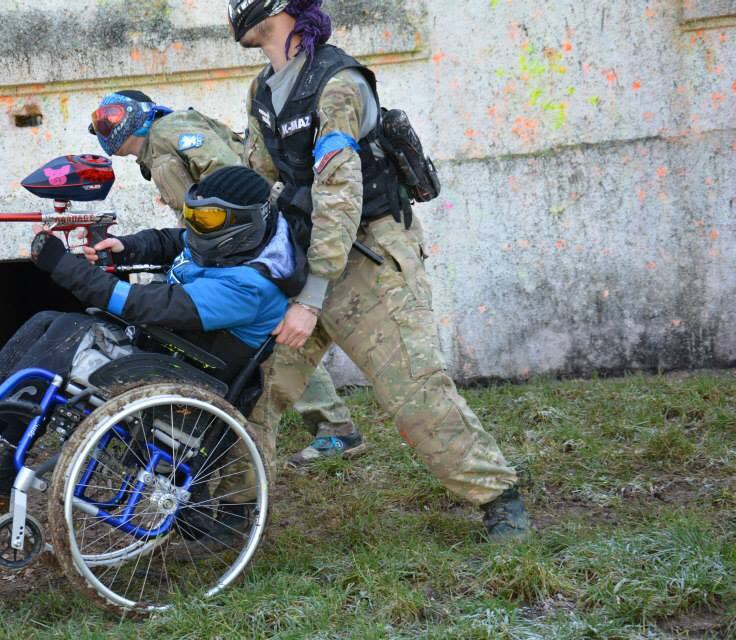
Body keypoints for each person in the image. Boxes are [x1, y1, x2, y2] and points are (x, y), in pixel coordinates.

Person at [227, 0, 531, 539]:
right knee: (255, 386)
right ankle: (230, 508)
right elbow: (261, 180)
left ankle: (497, 496)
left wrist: (310, 298)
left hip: (369, 258)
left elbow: (342, 194)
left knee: (413, 392)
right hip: (306, 259)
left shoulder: (337, 83)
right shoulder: (262, 91)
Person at [0, 165, 305, 494]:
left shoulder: (250, 286)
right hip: (169, 350)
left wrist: (61, 265)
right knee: (48, 321)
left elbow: (140, 305)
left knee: (67, 338)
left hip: (187, 371)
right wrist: (126, 248)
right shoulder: (247, 243)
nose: (193, 225)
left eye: (205, 219)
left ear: (244, 222)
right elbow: (177, 243)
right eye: (191, 214)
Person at [90, 89, 365, 467]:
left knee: (277, 346)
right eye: (100, 122)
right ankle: (331, 424)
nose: (105, 126)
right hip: (226, 248)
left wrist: (229, 249)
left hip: (244, 250)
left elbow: (233, 185)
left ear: (139, 114)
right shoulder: (159, 145)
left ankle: (333, 426)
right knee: (275, 343)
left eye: (112, 116)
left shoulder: (170, 133)